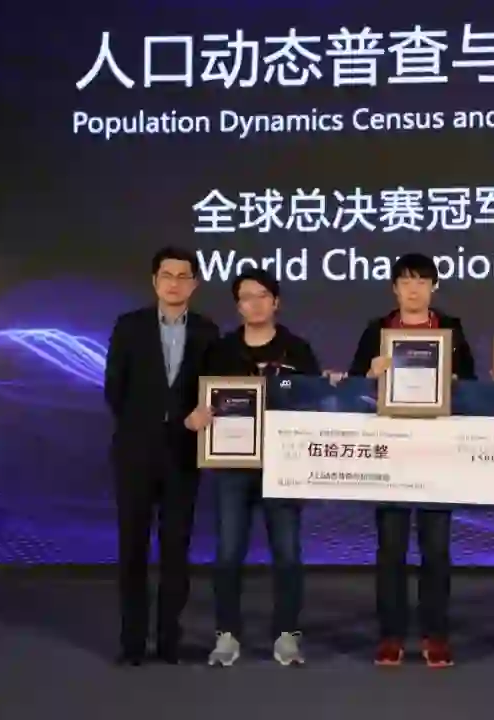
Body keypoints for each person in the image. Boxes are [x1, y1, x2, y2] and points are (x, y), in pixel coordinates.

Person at [346, 253, 476, 668]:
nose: (414, 289)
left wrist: (455, 381)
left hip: (438, 451)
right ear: (394, 288)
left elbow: (472, 386)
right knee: (391, 550)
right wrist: (371, 373)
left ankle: (435, 636)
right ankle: (391, 635)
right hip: (391, 452)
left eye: (422, 281)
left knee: (436, 550)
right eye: (406, 282)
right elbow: (353, 389)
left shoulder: (450, 329)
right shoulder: (377, 330)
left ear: (433, 287)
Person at [188, 268, 321, 667]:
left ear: (275, 302)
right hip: (233, 466)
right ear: (238, 306)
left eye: (263, 295)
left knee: (288, 554)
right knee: (228, 552)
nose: (255, 303)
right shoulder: (221, 350)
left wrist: (325, 389)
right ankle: (227, 634)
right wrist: (197, 417)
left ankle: (287, 635)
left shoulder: (297, 350)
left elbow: (316, 404)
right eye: (247, 297)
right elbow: (201, 399)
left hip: (284, 465)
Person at [103, 246, 220, 666]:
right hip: (135, 452)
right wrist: (150, 425)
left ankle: (170, 639)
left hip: (183, 453)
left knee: (176, 550)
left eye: (183, 276)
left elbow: (214, 389)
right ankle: (132, 642)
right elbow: (114, 389)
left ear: (194, 284)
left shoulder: (207, 331)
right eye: (167, 275)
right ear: (155, 281)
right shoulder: (129, 326)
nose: (174, 283)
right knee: (132, 547)